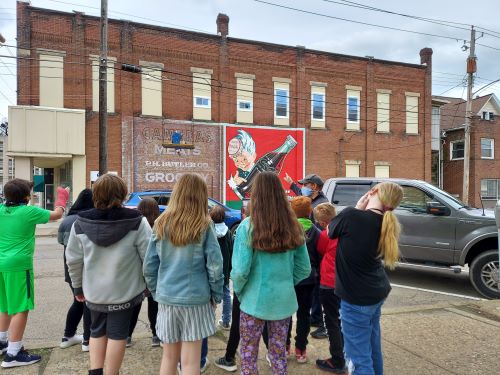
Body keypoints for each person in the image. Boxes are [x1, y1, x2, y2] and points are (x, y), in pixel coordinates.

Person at [66, 174, 152, 375]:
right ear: (122, 194)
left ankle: (95, 371)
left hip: (94, 293)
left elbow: (73, 260)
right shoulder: (137, 222)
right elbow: (149, 257)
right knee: (117, 335)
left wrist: (77, 287)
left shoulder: (79, 223)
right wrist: (149, 284)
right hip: (126, 291)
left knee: (96, 331)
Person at [143, 173, 223, 375]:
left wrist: (156, 291)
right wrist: (216, 295)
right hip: (196, 299)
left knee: (169, 358)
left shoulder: (161, 222)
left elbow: (149, 266)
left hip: (167, 299)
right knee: (190, 362)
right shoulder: (204, 224)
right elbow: (215, 266)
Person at [231, 171, 311, 375]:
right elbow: (304, 268)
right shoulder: (294, 227)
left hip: (253, 301)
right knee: (278, 356)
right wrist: (284, 282)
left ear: (256, 194)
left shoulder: (247, 227)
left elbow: (240, 271)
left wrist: (240, 292)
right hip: (283, 302)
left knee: (248, 356)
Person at [329, 182, 403, 375]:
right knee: (372, 349)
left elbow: (330, 231)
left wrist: (357, 206)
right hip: (375, 293)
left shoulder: (352, 216)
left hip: (356, 299)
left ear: (374, 192)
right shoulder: (387, 223)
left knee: (358, 359)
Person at [0, 179, 69, 368]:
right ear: (26, 197)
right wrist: (62, 199)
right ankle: (13, 353)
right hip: (19, 266)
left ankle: (2, 342)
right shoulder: (28, 212)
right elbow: (56, 215)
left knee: (5, 306)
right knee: (21, 308)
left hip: (1, 263)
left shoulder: (0, 210)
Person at [283, 173, 328, 337]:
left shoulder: (321, 204)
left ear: (314, 187)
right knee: (309, 298)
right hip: (309, 261)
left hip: (311, 259)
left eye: (306, 184)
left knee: (314, 292)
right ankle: (313, 320)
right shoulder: (310, 200)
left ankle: (316, 318)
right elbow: (300, 198)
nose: (303, 188)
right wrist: (291, 183)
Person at [58, 188, 93, 352]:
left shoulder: (67, 220)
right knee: (88, 304)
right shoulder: (89, 219)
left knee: (77, 302)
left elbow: (61, 242)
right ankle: (87, 340)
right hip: (86, 268)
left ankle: (68, 336)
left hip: (69, 268)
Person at [313, 202, 346, 373]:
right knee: (343, 320)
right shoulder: (346, 231)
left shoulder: (326, 234)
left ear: (323, 222)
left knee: (332, 322)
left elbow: (321, 249)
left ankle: (337, 359)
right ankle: (345, 353)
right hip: (344, 281)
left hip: (328, 281)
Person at [289, 196, 321, 364]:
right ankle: (301, 348)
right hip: (309, 280)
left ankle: (285, 346)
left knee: (285, 314)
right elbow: (320, 256)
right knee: (304, 315)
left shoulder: (288, 230)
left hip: (289, 279)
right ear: (310, 212)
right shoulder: (316, 232)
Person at [127, 197, 161, 348]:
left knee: (134, 306)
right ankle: (156, 335)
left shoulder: (135, 226)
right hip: (155, 272)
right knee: (154, 305)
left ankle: (127, 336)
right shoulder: (160, 227)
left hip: (136, 272)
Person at [209, 205, 233, 331]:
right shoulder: (228, 233)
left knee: (210, 297)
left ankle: (210, 324)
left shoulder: (209, 232)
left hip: (212, 270)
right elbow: (232, 250)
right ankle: (226, 321)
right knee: (226, 295)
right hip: (225, 270)